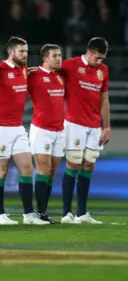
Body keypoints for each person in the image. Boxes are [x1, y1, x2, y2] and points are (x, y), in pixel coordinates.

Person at [0, 37, 48, 225]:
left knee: (27, 168)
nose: (25, 55)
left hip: (17, 127)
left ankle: (29, 215)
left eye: (27, 51)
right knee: (1, 170)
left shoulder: (23, 70)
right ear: (11, 52)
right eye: (22, 51)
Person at [60, 37, 111, 224]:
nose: (100, 62)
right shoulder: (71, 65)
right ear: (88, 52)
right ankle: (66, 213)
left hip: (94, 125)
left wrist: (106, 126)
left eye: (102, 59)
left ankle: (82, 213)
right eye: (97, 58)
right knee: (73, 164)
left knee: (89, 165)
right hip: (74, 124)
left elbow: (104, 99)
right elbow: (48, 70)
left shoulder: (103, 71)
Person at [28, 44, 65, 224]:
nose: (58, 58)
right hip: (42, 129)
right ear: (45, 58)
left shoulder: (60, 76)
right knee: (43, 169)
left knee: (51, 171)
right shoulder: (33, 76)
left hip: (60, 130)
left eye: (59, 55)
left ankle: (44, 211)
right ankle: (40, 213)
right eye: (55, 56)